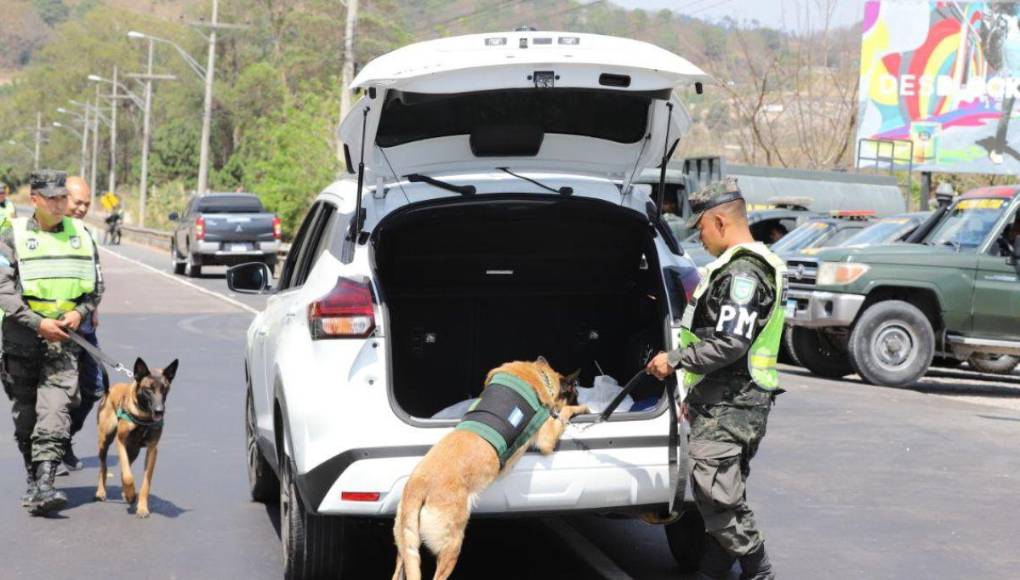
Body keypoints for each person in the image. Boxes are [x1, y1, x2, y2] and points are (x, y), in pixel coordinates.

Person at [646, 178, 786, 580]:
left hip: (733, 405)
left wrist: (673, 360)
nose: (700, 237)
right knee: (721, 495)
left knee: (716, 494)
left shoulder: (744, 274)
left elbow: (730, 343)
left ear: (720, 222)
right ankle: (711, 572)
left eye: (702, 228)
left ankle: (759, 571)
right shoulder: (740, 266)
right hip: (726, 401)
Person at [0, 170, 103, 515]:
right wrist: (37, 323)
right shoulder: (11, 235)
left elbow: (95, 287)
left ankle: (46, 484)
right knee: (26, 415)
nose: (60, 205)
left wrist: (79, 312)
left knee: (56, 410)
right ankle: (34, 477)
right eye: (52, 199)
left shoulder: (82, 235)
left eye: (63, 198)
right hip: (22, 339)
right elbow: (3, 288)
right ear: (35, 200)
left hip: (64, 340)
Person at [62, 176, 106, 474]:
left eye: (87, 204)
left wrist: (92, 309)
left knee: (94, 387)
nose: (82, 209)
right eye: (77, 202)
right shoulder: (48, 235)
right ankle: (47, 454)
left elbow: (93, 277)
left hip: (85, 327)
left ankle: (64, 439)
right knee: (59, 393)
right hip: (55, 328)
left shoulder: (87, 234)